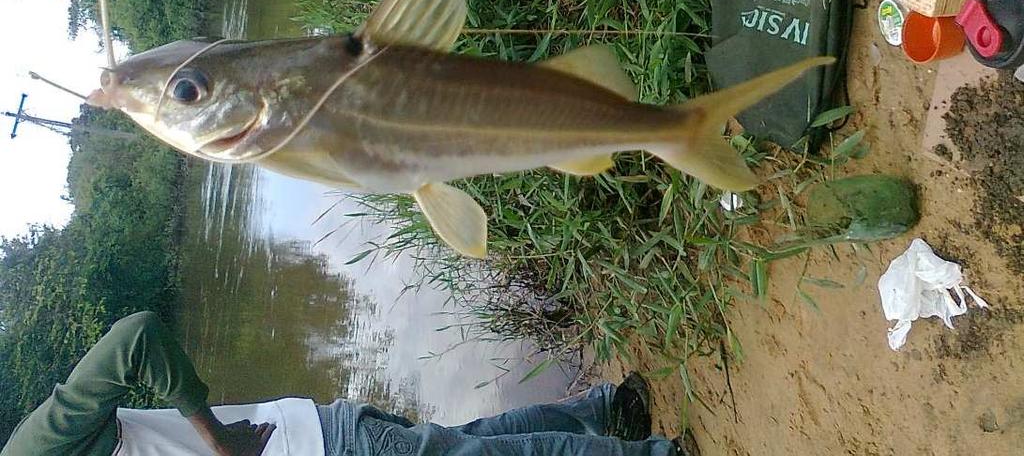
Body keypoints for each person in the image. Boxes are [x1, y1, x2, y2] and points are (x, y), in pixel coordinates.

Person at [1, 312, 697, 456]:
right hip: (327, 438)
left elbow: (137, 338)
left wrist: (213, 439)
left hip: (318, 447)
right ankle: (610, 410)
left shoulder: (35, 452)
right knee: (463, 444)